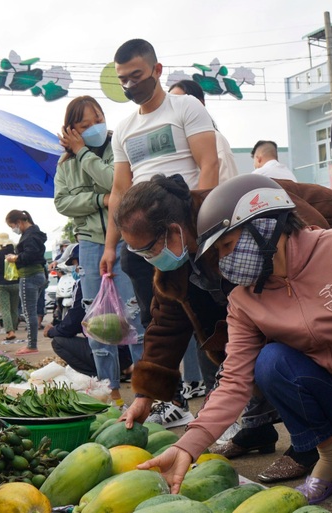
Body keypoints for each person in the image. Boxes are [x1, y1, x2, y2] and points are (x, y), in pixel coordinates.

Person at [138, 174, 332, 507]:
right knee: (270, 362)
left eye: (227, 245)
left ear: (263, 225)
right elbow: (234, 380)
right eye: (218, 253)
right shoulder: (243, 300)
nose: (224, 262)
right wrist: (186, 446)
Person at [101, 39, 220, 351]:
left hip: (184, 234)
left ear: (157, 69)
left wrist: (200, 230)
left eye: (136, 76)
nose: (130, 84)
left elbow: (209, 164)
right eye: (123, 79)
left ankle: (214, 392)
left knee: (206, 320)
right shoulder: (124, 128)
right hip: (143, 240)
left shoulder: (185, 107)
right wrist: (110, 246)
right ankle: (169, 396)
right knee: (153, 320)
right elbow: (119, 190)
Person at [54, 95, 144, 406]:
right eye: (84, 125)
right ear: (71, 130)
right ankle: (111, 390)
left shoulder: (117, 147)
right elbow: (62, 202)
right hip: (91, 244)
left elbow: (114, 181)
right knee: (97, 319)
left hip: (126, 239)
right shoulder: (64, 164)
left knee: (134, 314)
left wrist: (82, 153)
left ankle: (147, 391)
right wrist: (100, 201)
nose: (94, 127)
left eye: (98, 120)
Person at [167, 78, 240, 402]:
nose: (175, 109)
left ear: (197, 105)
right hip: (196, 248)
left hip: (215, 248)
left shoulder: (214, 142)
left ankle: (232, 404)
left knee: (221, 329)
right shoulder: (185, 145)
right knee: (203, 330)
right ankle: (218, 400)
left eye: (180, 101)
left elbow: (218, 194)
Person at [44, 244, 136, 379]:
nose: (76, 270)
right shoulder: (120, 278)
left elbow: (72, 324)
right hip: (132, 351)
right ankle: (124, 368)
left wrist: (51, 331)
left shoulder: (87, 285)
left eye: (78, 266)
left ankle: (106, 374)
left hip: (115, 352)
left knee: (58, 341)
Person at [167, 79, 239, 185]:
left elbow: (228, 186)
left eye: (178, 102)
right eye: (169, 103)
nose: (172, 108)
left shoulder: (216, 140)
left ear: (199, 104)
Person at [5, 210, 47, 355]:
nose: (13, 229)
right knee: (32, 311)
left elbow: (30, 254)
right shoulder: (35, 232)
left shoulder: (29, 236)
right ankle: (31, 344)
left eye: (12, 226)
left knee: (29, 313)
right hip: (39, 275)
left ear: (19, 222)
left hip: (29, 276)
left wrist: (14, 258)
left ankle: (31, 345)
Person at [0, 232, 20, 341]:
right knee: (14, 308)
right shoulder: (16, 253)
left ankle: (10, 331)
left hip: (2, 285)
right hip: (16, 283)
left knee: (5, 309)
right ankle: (13, 329)